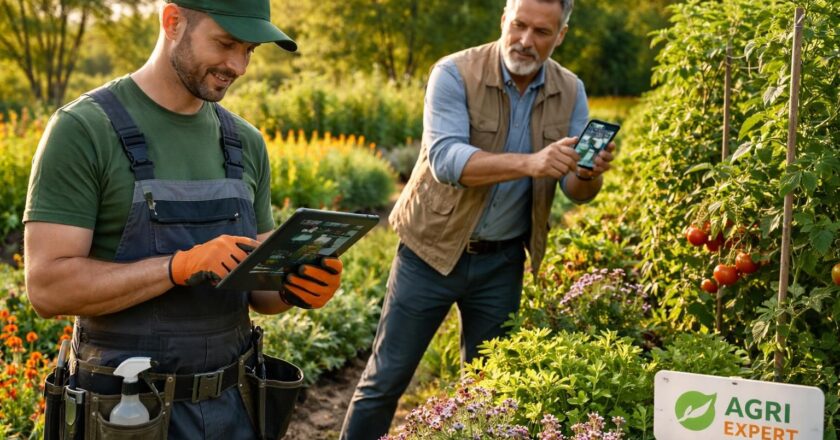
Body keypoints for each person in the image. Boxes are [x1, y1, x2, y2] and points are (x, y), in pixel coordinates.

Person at [23, 1, 343, 438]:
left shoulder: (245, 142)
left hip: (235, 408)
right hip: (124, 413)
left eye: (249, 49)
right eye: (226, 43)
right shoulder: (84, 130)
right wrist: (178, 267)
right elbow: (47, 287)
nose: (239, 66)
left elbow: (261, 294)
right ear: (173, 21)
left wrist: (296, 286)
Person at [341, 0, 616, 437]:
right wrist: (532, 163)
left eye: (541, 32)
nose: (526, 40)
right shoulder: (453, 72)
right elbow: (447, 160)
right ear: (504, 19)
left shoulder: (571, 90)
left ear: (560, 35)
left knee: (488, 391)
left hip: (502, 262)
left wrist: (586, 172)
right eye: (519, 25)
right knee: (385, 380)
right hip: (429, 251)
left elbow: (576, 193)